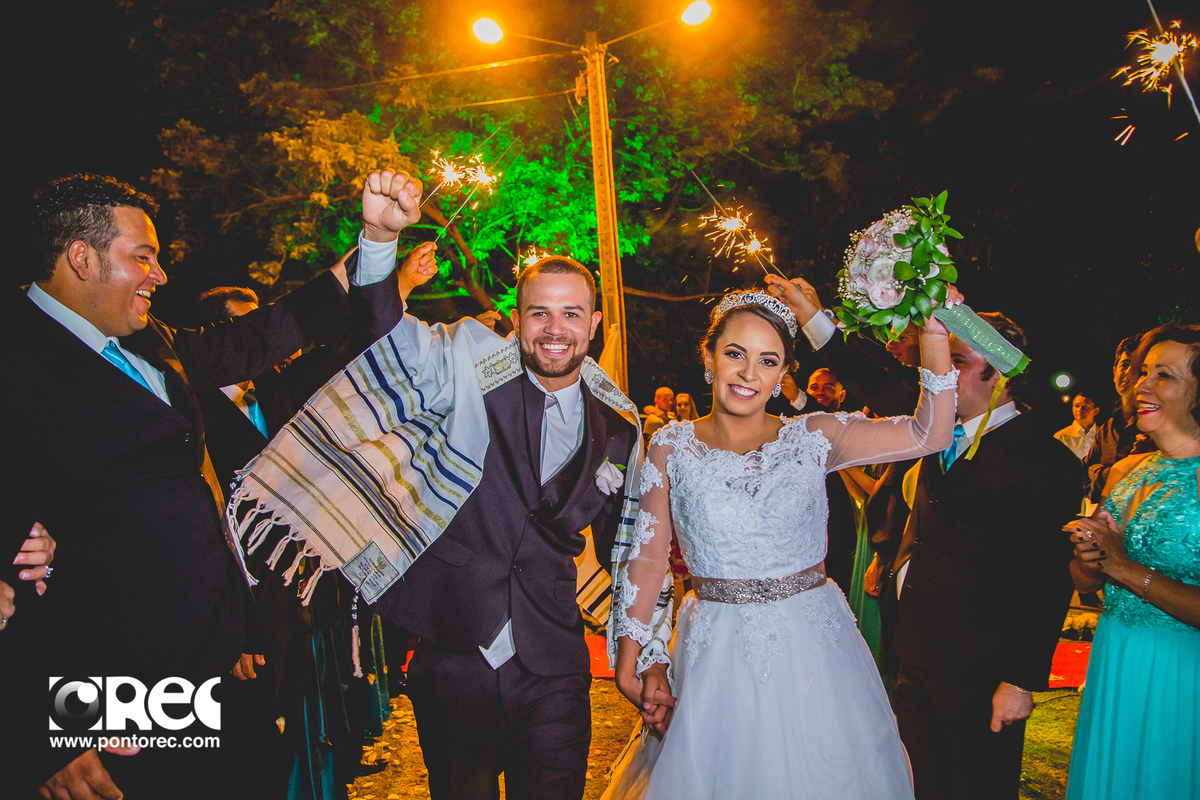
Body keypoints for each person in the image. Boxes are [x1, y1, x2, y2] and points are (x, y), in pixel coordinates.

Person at [7, 168, 421, 799]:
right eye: (143, 257)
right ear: (81, 258)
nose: (160, 275)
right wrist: (41, 738)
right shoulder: (16, 358)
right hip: (105, 685)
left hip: (213, 660)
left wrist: (374, 240)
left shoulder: (148, 340)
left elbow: (262, 336)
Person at [603, 288, 957, 799]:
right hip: (713, 652)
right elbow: (649, 557)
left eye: (767, 361)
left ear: (783, 373)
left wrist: (935, 336)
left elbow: (931, 433)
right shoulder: (670, 446)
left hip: (813, 649)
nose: (749, 373)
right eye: (735, 353)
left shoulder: (814, 435)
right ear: (709, 357)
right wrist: (634, 656)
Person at [308, 255, 640, 800]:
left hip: (554, 664)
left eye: (571, 313)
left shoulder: (619, 429)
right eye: (540, 313)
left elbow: (626, 552)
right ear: (517, 318)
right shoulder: (465, 383)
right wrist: (380, 242)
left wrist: (649, 649)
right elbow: (383, 338)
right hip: (455, 655)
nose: (555, 329)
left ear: (594, 323)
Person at [884, 313, 1081, 800]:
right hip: (916, 652)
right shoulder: (935, 435)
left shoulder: (1045, 460)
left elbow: (1047, 578)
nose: (942, 372)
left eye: (957, 361)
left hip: (981, 671)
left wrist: (1019, 680)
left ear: (1000, 373)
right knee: (919, 786)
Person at [1064, 323, 1200, 800]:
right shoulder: (1128, 471)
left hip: (1179, 673)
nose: (1142, 385)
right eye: (1144, 372)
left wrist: (1121, 566)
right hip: (1115, 655)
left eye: (1164, 375)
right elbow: (1087, 582)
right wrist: (1089, 556)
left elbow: (1120, 567)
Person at [1083, 334, 1149, 503]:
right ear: (1114, 372)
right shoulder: (1107, 429)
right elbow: (1082, 474)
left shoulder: (1153, 426)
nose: (1129, 372)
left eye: (1137, 366)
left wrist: (1098, 473)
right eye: (1124, 365)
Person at [1055, 392, 1100, 460]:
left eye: (1085, 406)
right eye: (1077, 406)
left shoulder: (1103, 435)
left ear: (1096, 411)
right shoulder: (1061, 437)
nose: (1080, 409)